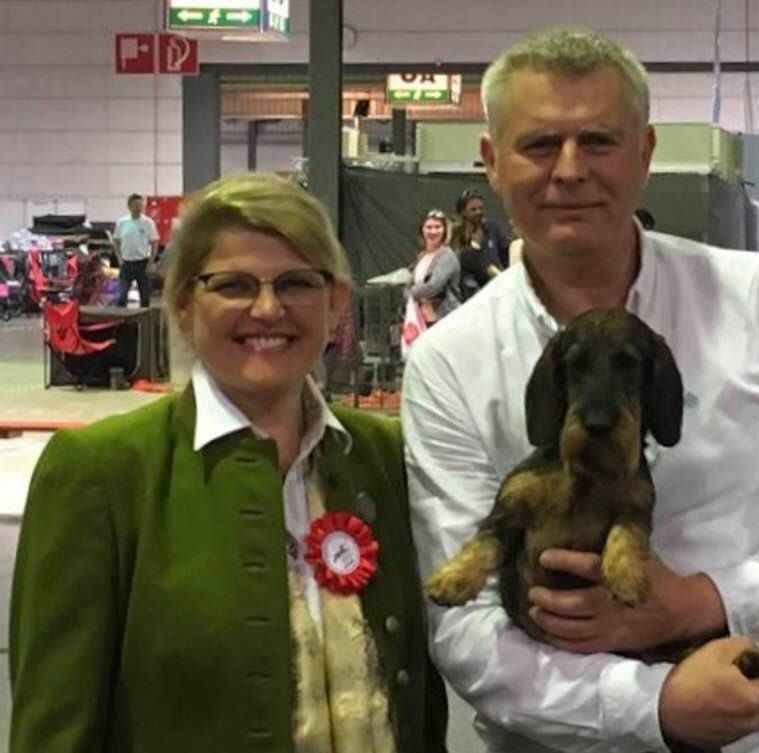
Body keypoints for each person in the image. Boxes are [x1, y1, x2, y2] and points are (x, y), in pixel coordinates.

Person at [402, 27, 759, 753]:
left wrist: (700, 602)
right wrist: (656, 703)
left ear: (645, 154)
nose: (570, 171)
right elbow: (464, 626)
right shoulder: (450, 358)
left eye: (600, 142)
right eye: (540, 145)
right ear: (491, 162)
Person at [9, 172, 448, 753]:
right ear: (186, 302)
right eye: (234, 285)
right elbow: (54, 733)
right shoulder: (100, 474)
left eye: (295, 283)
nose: (268, 309)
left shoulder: (384, 456)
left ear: (335, 300)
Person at [112, 192, 160, 307]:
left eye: (140, 205)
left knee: (145, 298)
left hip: (142, 264)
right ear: (129, 206)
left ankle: (144, 323)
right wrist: (119, 258)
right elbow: (116, 241)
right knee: (121, 297)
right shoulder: (122, 222)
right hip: (126, 264)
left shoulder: (148, 223)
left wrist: (151, 262)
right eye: (135, 205)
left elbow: (154, 243)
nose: (138, 208)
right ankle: (122, 323)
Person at [452, 188, 512, 269]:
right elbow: (460, 263)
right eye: (473, 209)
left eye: (481, 208)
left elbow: (506, 253)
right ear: (463, 211)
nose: (478, 212)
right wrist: (475, 245)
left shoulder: (492, 228)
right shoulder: (457, 232)